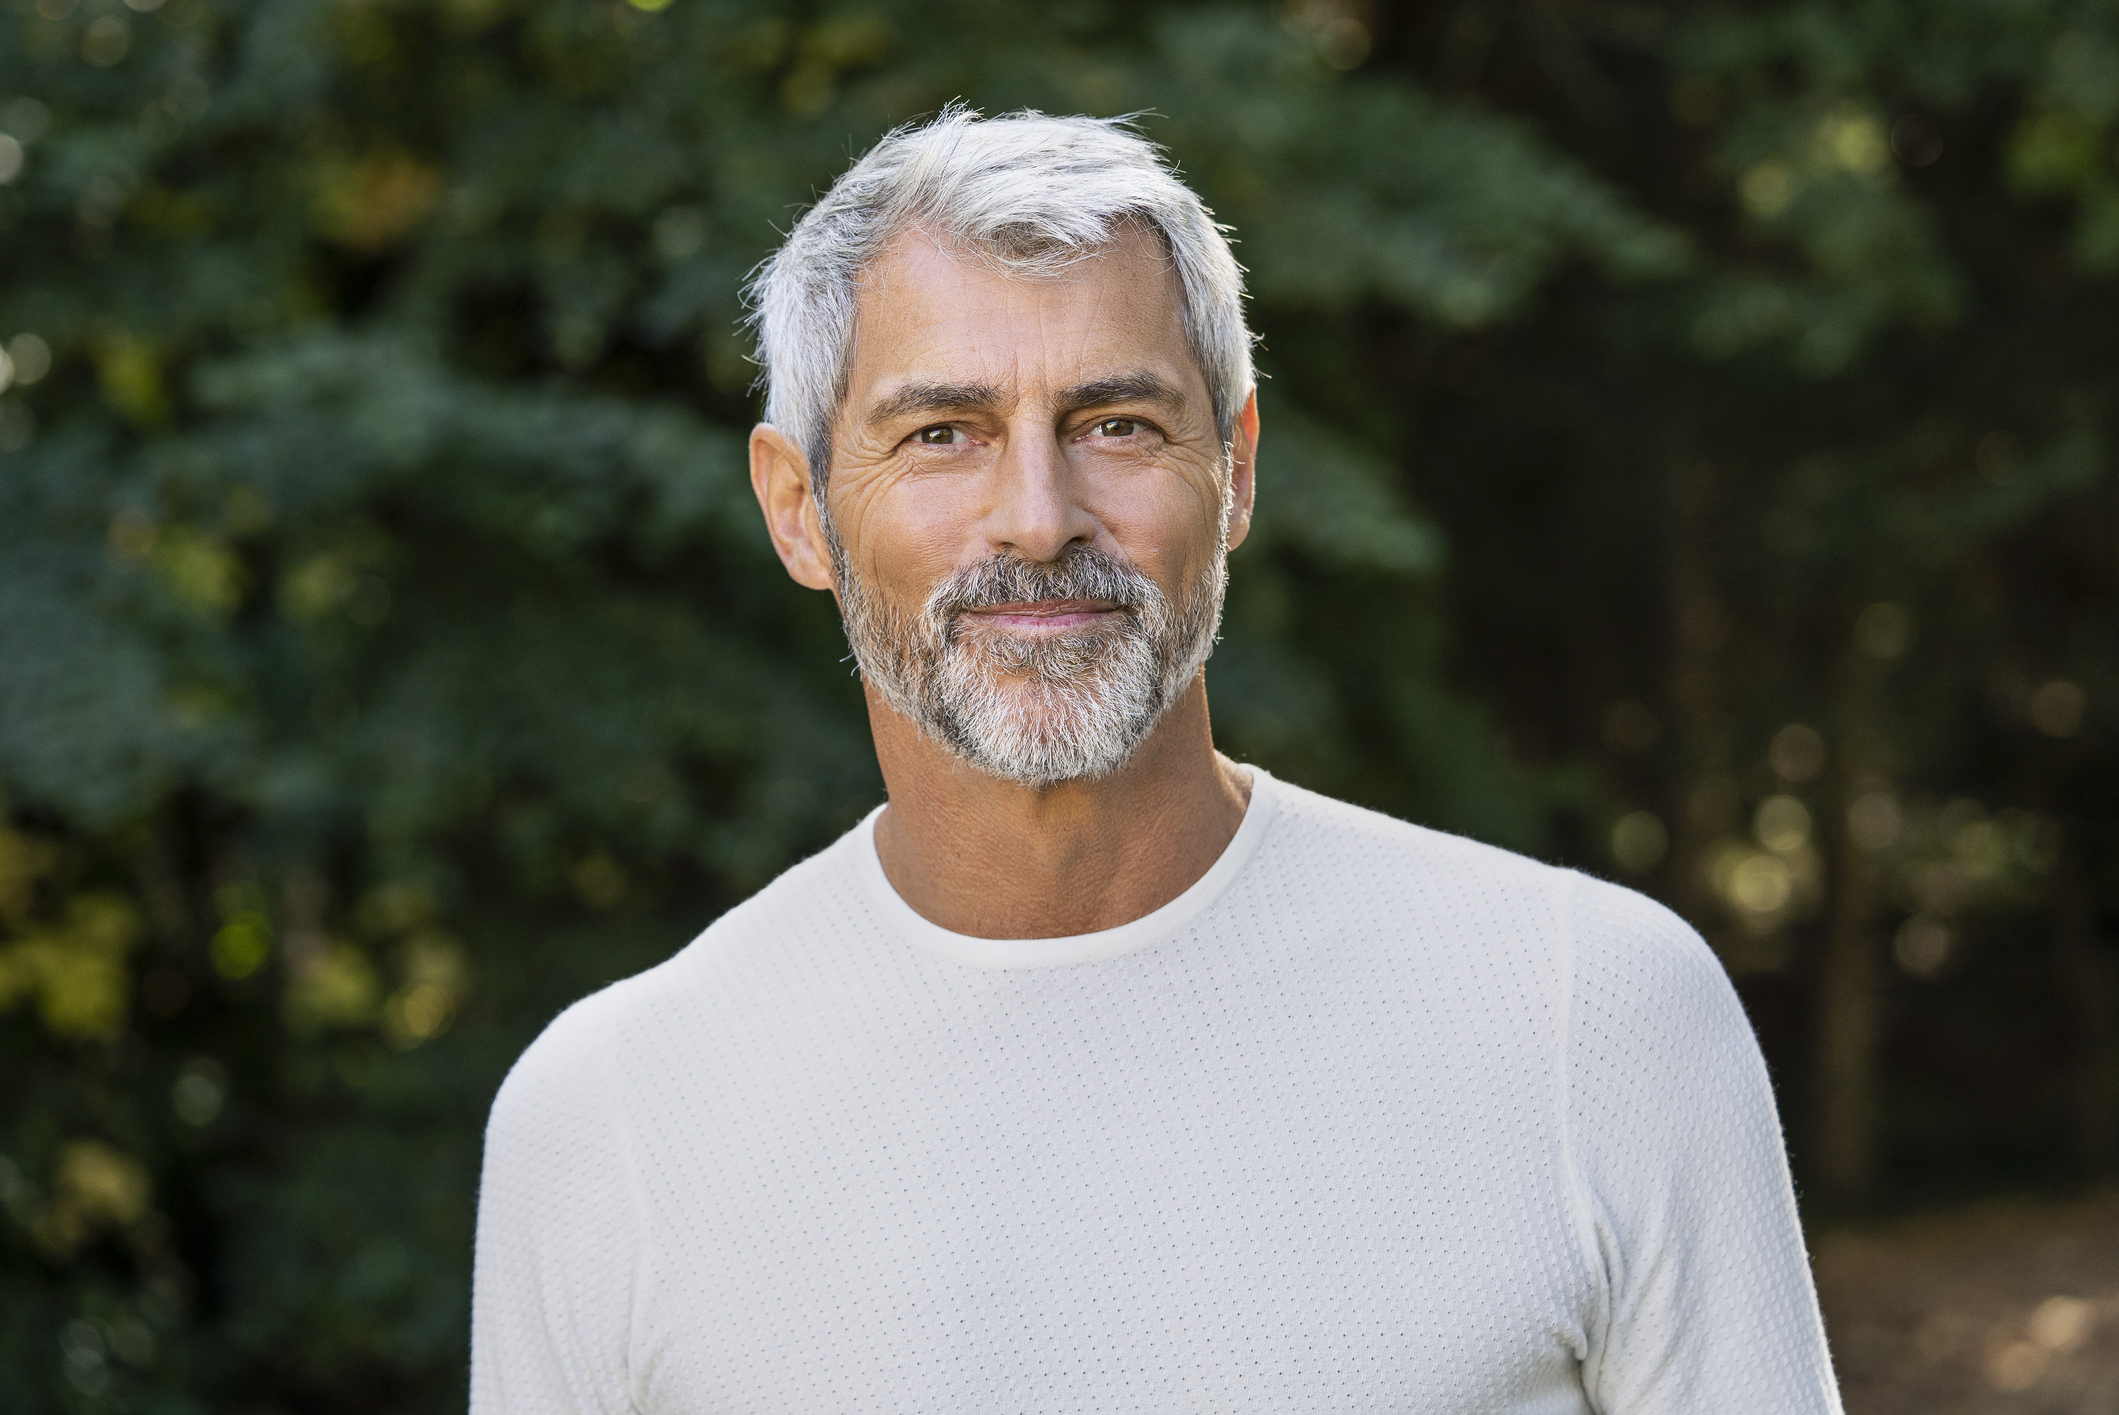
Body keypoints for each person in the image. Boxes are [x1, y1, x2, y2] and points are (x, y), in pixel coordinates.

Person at [470, 107, 1843, 1413]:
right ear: (799, 509)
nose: (1038, 516)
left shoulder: (1591, 1016)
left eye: (1116, 424)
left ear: (1234, 472)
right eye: (941, 434)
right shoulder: (608, 1120)